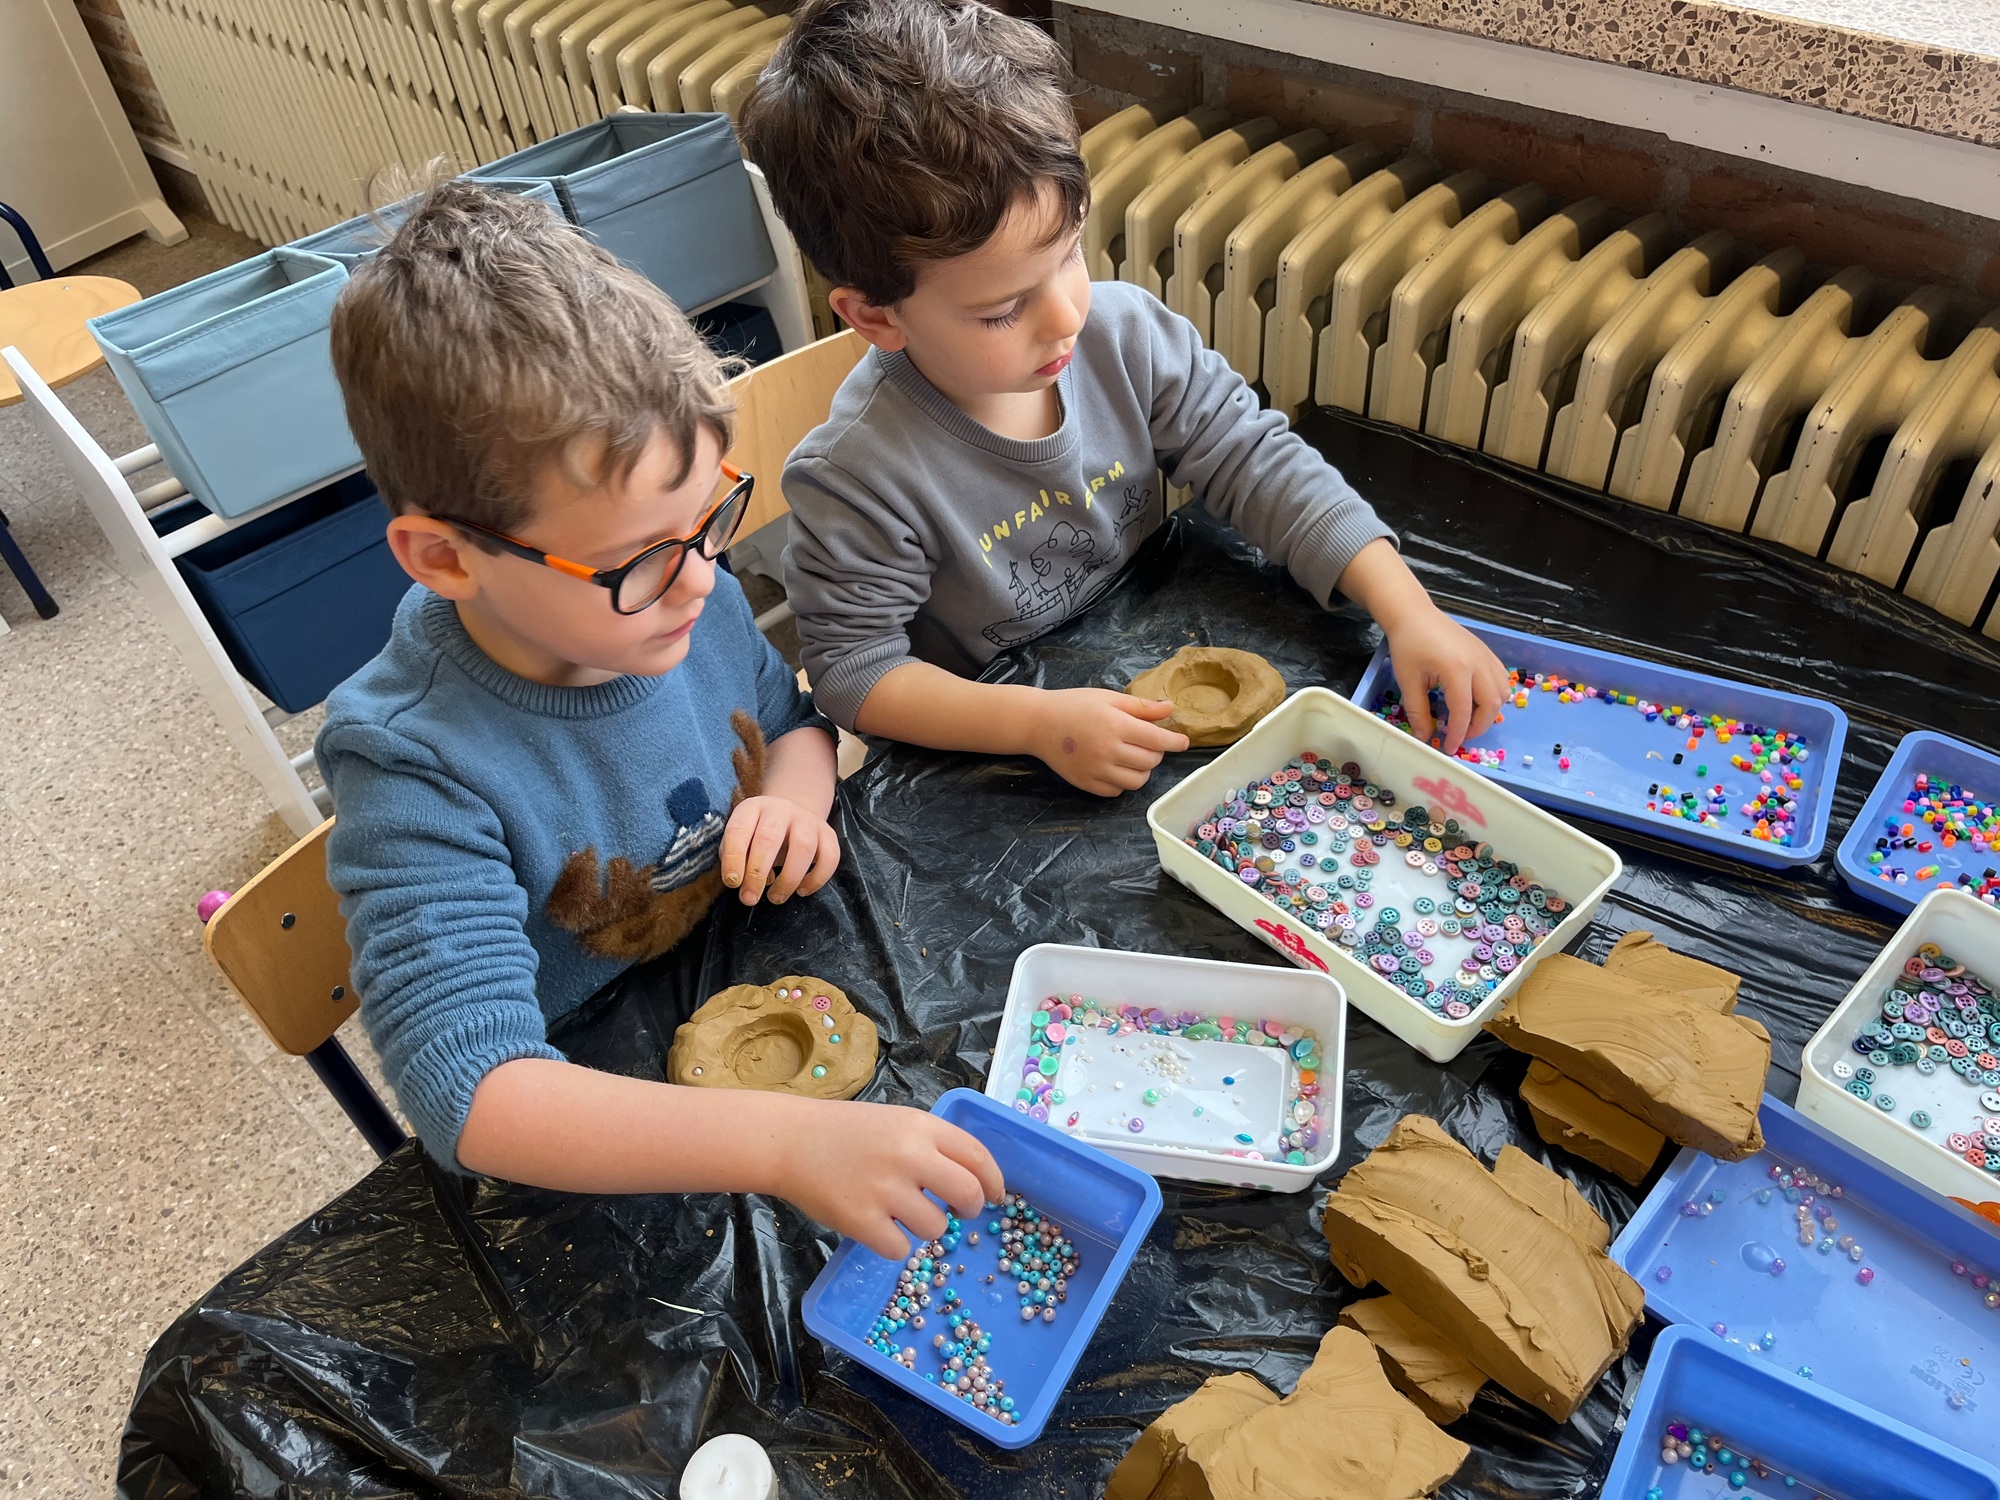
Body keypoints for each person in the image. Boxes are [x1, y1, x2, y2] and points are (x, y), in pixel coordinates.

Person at [316, 181, 1000, 1254]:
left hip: (743, 969)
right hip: (601, 1106)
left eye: (706, 520)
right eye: (637, 558)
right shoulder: (410, 763)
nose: (700, 580)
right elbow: (473, 1095)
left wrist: (793, 798)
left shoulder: (677, 593)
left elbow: (792, 722)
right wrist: (784, 1145)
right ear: (444, 557)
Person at [738, 0, 1508, 796]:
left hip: (1140, 635)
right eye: (1003, 309)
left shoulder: (1126, 336)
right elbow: (855, 674)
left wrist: (1406, 610)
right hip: (999, 751)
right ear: (876, 317)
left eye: (1070, 254)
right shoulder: (856, 475)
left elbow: (1254, 460)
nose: (1067, 316)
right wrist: (1033, 724)